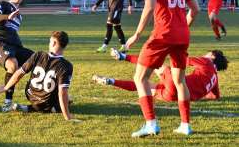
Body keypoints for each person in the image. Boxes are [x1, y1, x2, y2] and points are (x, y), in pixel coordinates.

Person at [125, 0, 200, 137]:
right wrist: (183, 27)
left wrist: (137, 34)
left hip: (162, 35)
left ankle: (151, 123)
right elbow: (195, 10)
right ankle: (185, 125)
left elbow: (149, 7)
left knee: (140, 77)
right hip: (182, 35)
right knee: (179, 81)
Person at [93, 48, 228, 103]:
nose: (205, 55)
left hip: (176, 84)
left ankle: (123, 56)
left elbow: (184, 60)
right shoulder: (215, 79)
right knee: (143, 86)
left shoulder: (207, 62)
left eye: (208, 53)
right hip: (173, 97)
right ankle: (111, 81)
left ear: (212, 56)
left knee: (150, 63)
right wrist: (200, 91)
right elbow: (215, 96)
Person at [0, 31, 76, 121]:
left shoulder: (38, 55)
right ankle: (45, 108)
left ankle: (29, 108)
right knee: (68, 99)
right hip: (47, 101)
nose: (49, 44)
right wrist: (67, 116)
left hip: (30, 95)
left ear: (54, 43)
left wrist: (6, 87)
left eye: (50, 41)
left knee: (62, 98)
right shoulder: (66, 65)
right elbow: (62, 93)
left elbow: (19, 73)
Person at [0, 0, 34, 112]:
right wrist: (7, 16)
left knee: (37, 59)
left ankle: (39, 92)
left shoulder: (19, 15)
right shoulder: (4, 5)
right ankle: (7, 103)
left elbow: (12, 33)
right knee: (12, 65)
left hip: (13, 45)